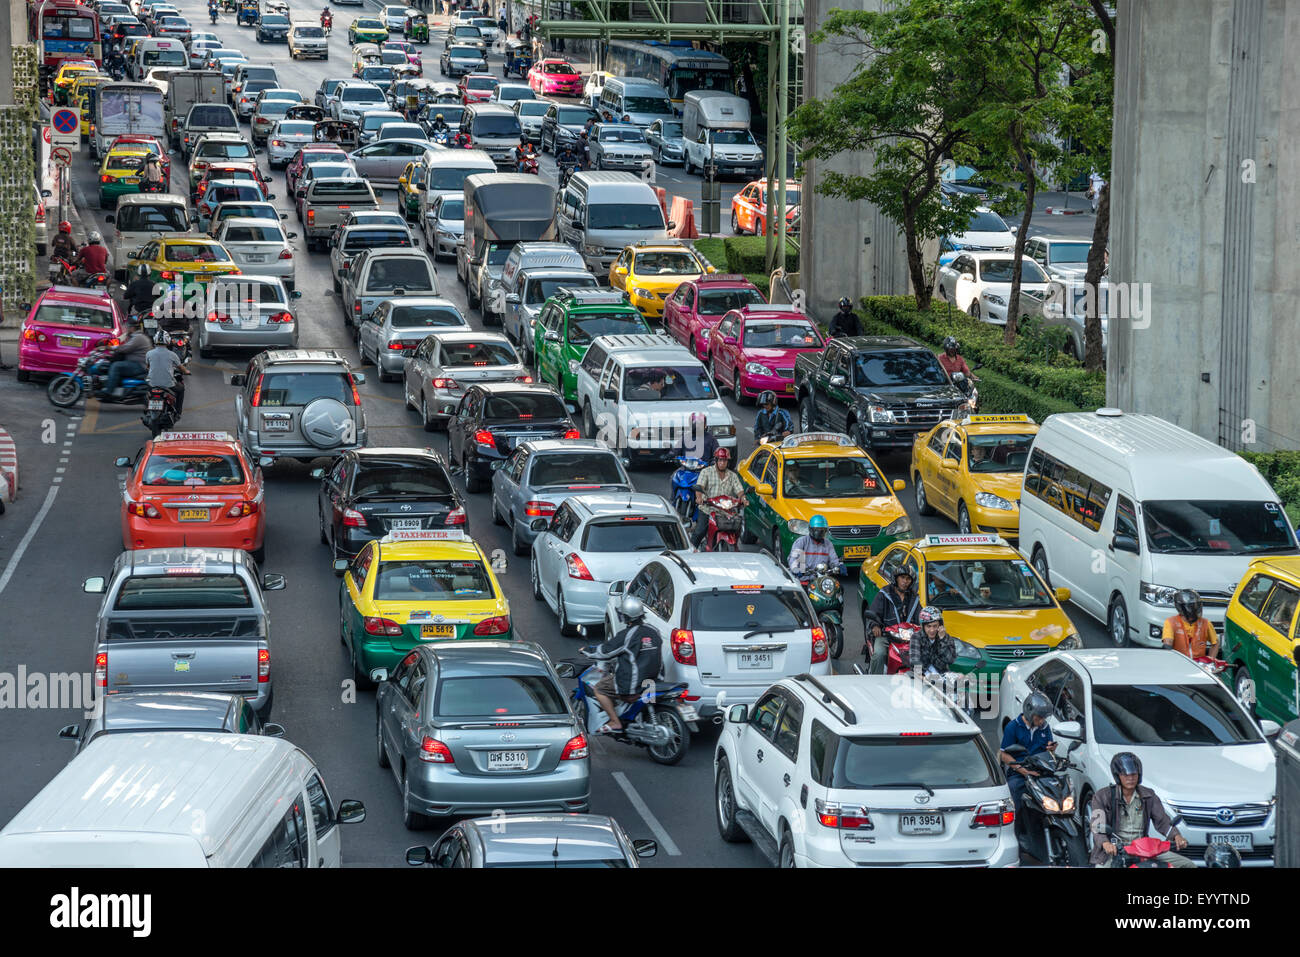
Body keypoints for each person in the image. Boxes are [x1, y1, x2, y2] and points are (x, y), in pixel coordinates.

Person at [1088, 752, 1194, 868]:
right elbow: (1097, 827)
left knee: (1187, 864)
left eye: (1134, 774)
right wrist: (1106, 843)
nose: (1131, 778)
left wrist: (1176, 836)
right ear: (1117, 776)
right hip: (1116, 851)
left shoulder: (1148, 795)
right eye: (1125, 775)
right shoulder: (1102, 796)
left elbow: (1162, 821)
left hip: (1144, 850)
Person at [583, 595, 662, 733]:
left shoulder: (627, 635)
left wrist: (588, 650)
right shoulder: (654, 631)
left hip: (633, 684)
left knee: (600, 688)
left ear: (625, 616)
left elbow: (605, 651)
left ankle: (615, 721)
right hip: (652, 680)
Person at [999, 691, 1056, 820]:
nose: (1042, 721)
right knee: (1014, 793)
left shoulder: (1045, 728)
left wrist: (1051, 749)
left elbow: (1049, 751)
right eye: (1039, 717)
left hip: (1040, 770)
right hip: (1019, 772)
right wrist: (1024, 771)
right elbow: (1004, 755)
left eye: (1044, 718)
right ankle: (1016, 828)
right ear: (1030, 712)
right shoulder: (1012, 727)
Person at [864, 567, 920, 670]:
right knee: (879, 654)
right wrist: (875, 625)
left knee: (920, 657)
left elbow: (920, 618)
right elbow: (873, 612)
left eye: (908, 579)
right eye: (902, 577)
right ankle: (873, 682)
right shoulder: (885, 593)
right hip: (887, 636)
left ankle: (918, 684)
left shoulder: (914, 597)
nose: (905, 581)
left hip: (908, 638)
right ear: (896, 578)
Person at [692, 447, 743, 548]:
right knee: (699, 532)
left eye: (725, 460)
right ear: (716, 460)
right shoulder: (706, 472)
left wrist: (743, 499)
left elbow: (739, 490)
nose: (722, 463)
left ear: (728, 462)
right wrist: (699, 498)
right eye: (720, 460)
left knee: (736, 529)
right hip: (708, 509)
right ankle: (690, 552)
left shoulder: (732, 476)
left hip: (725, 512)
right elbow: (699, 487)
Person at [99, 319, 151, 399]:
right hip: (134, 363)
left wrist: (109, 348)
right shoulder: (132, 336)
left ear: (132, 328)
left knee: (116, 366)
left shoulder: (138, 337)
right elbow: (119, 341)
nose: (125, 329)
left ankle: (108, 392)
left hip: (139, 366)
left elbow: (125, 348)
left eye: (127, 327)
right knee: (107, 364)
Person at [1161, 589, 1219, 659]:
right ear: (1180, 607)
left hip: (1198, 664)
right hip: (1179, 661)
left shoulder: (1206, 623)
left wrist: (1211, 660)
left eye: (1195, 606)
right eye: (1190, 607)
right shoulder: (1171, 622)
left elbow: (1215, 643)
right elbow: (1168, 641)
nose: (1193, 609)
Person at [144, 332, 184, 415]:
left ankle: (147, 407)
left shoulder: (149, 353)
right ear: (168, 341)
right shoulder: (172, 354)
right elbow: (181, 368)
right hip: (168, 384)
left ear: (155, 340)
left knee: (146, 392)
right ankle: (178, 412)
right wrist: (187, 371)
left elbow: (147, 366)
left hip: (152, 383)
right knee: (181, 390)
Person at [911, 606, 956, 675]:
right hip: (923, 675)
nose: (932, 630)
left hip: (942, 674)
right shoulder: (916, 637)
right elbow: (914, 659)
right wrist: (920, 676)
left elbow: (950, 660)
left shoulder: (946, 637)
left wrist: (942, 639)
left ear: (940, 626)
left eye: (935, 626)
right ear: (923, 626)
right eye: (929, 626)